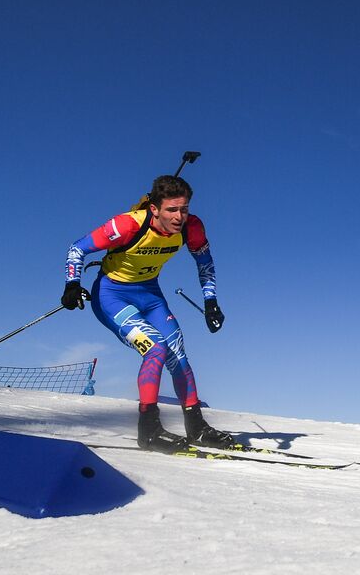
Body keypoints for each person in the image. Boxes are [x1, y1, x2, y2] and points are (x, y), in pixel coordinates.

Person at [63, 174, 234, 452]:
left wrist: (210, 301)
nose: (179, 216)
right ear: (154, 209)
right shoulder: (127, 224)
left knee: (177, 353)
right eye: (172, 209)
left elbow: (205, 264)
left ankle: (196, 428)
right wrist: (72, 284)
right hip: (112, 296)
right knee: (156, 348)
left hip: (150, 295)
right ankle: (149, 430)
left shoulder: (192, 227)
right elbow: (77, 248)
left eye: (184, 208)